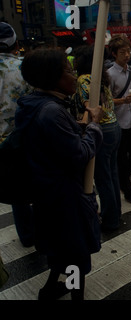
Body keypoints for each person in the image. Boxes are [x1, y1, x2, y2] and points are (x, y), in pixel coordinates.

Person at [17, 48, 103, 300]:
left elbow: (53, 143)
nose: (74, 75)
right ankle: (75, 294)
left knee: (60, 248)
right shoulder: (52, 112)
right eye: (68, 71)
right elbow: (79, 154)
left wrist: (80, 126)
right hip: (65, 198)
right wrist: (95, 127)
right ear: (52, 77)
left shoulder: (35, 103)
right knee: (75, 255)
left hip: (47, 195)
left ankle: (50, 287)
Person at [72, 45, 122, 233]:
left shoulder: (84, 79)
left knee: (103, 178)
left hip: (101, 129)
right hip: (114, 127)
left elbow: (89, 108)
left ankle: (110, 220)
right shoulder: (102, 77)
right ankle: (116, 214)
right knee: (112, 175)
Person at [0, 22, 34, 248]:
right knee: (36, 187)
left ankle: (27, 237)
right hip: (24, 141)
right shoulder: (24, 68)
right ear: (15, 43)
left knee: (14, 194)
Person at [107, 35, 131, 207]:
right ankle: (128, 191)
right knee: (121, 159)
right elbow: (106, 102)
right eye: (123, 52)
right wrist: (123, 101)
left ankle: (121, 180)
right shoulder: (109, 75)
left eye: (128, 51)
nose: (127, 55)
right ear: (114, 54)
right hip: (117, 124)